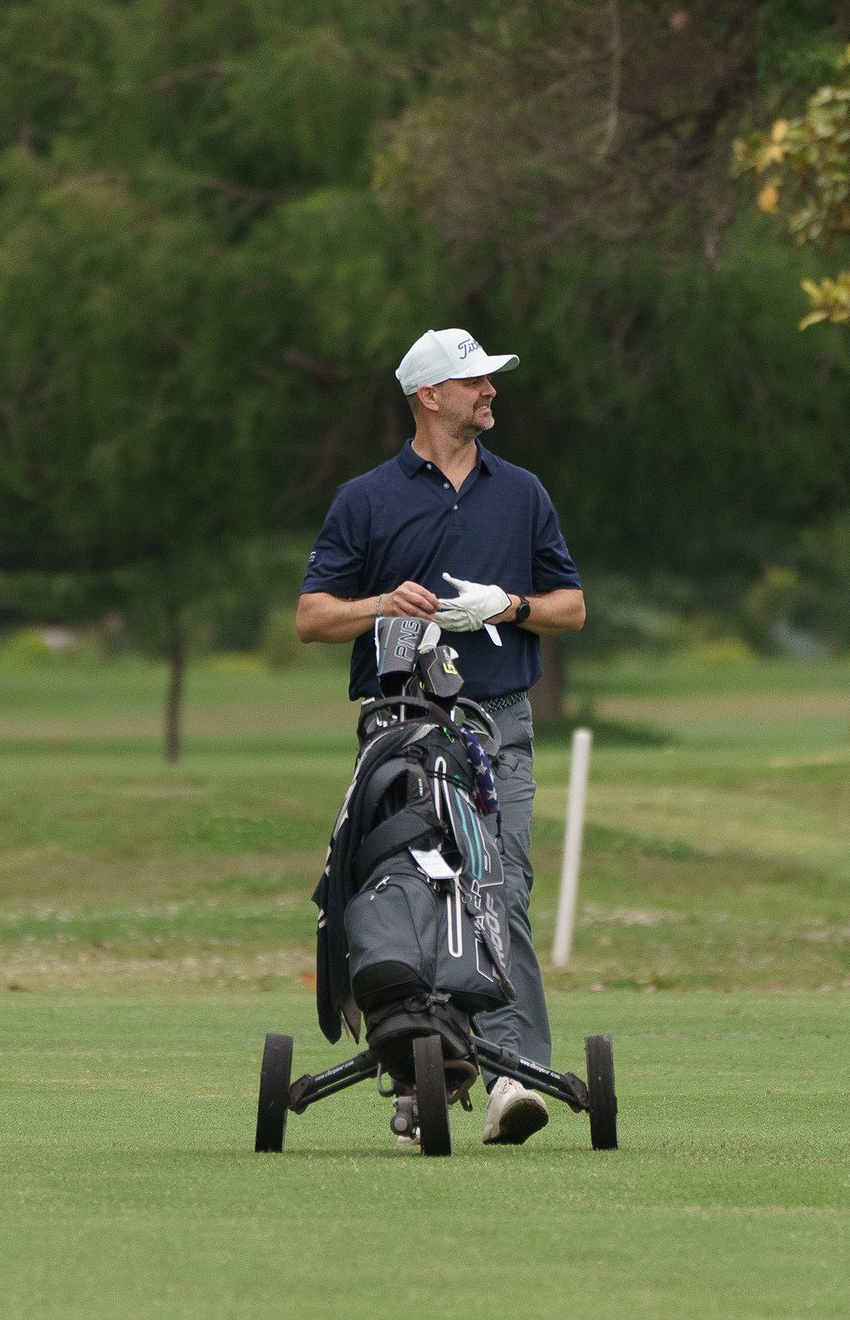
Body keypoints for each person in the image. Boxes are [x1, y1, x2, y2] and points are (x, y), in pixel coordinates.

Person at [297, 327, 586, 1146]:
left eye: (490, 380)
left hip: (498, 726)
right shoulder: (366, 499)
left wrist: (510, 607)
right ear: (429, 395)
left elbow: (570, 606)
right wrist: (380, 605)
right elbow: (312, 617)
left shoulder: (521, 492)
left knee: (501, 889)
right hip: (400, 731)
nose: (490, 391)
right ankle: (415, 1071)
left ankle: (509, 1078)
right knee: (406, 893)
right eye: (474, 381)